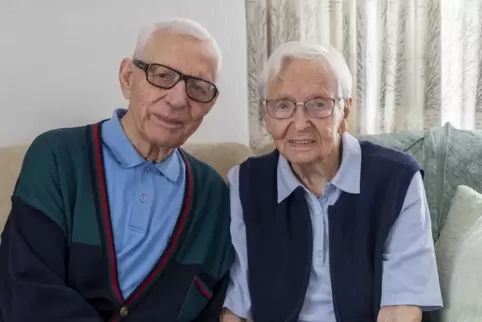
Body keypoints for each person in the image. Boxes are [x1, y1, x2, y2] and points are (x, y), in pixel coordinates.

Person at [0, 18, 233, 321]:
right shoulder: (56, 157)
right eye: (162, 75)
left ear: (210, 104)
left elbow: (215, 306)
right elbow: (27, 289)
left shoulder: (214, 195)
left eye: (198, 88)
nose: (177, 100)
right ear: (127, 77)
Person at [221, 41, 443, 322]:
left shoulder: (397, 180)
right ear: (266, 116)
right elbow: (237, 306)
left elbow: (402, 308)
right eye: (283, 105)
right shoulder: (246, 184)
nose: (300, 124)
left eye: (318, 104)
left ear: (345, 112)